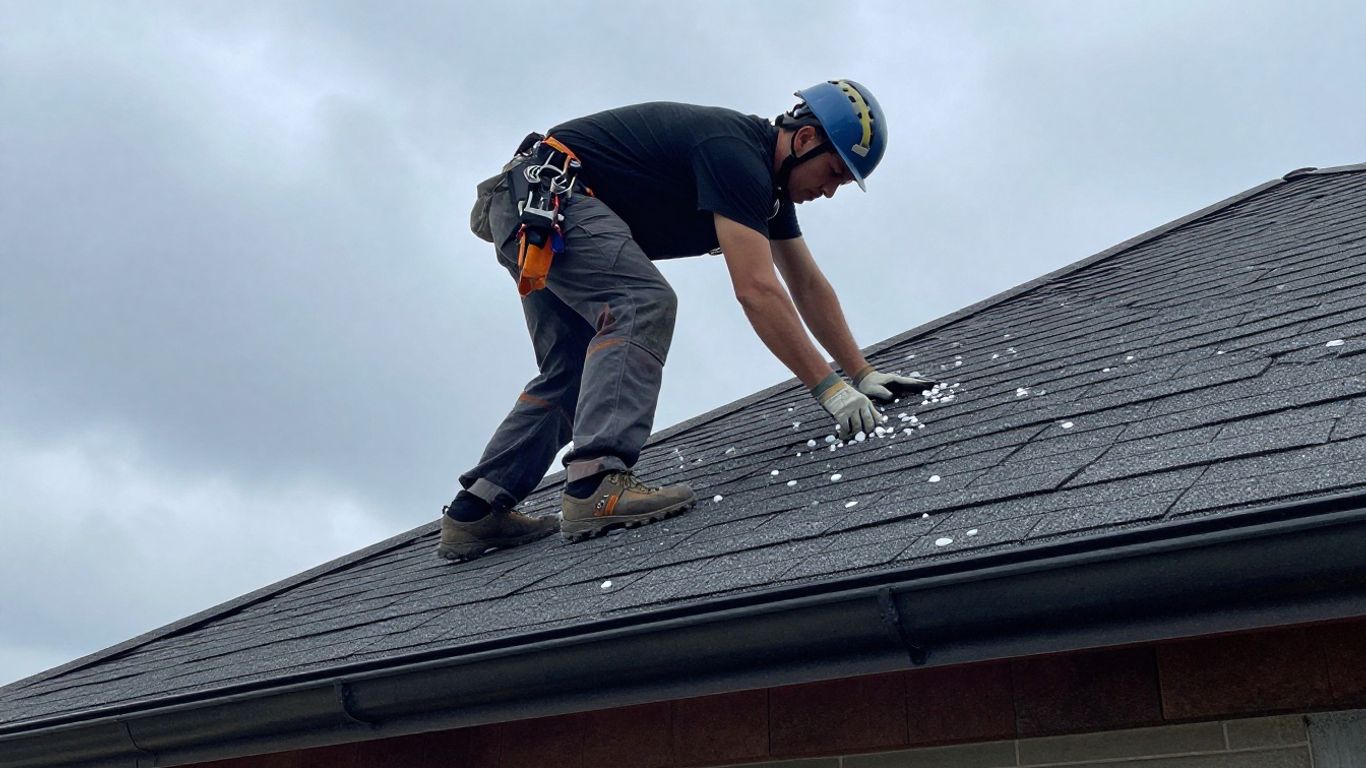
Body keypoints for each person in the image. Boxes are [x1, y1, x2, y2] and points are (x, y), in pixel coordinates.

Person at [440, 80, 934, 561]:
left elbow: (805, 283)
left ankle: (478, 508)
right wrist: (830, 389)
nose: (830, 191)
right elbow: (758, 291)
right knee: (641, 302)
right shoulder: (737, 154)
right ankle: (597, 484)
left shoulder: (766, 191)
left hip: (532, 205)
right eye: (834, 173)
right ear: (805, 140)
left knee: (574, 366)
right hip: (553, 197)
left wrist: (862, 374)